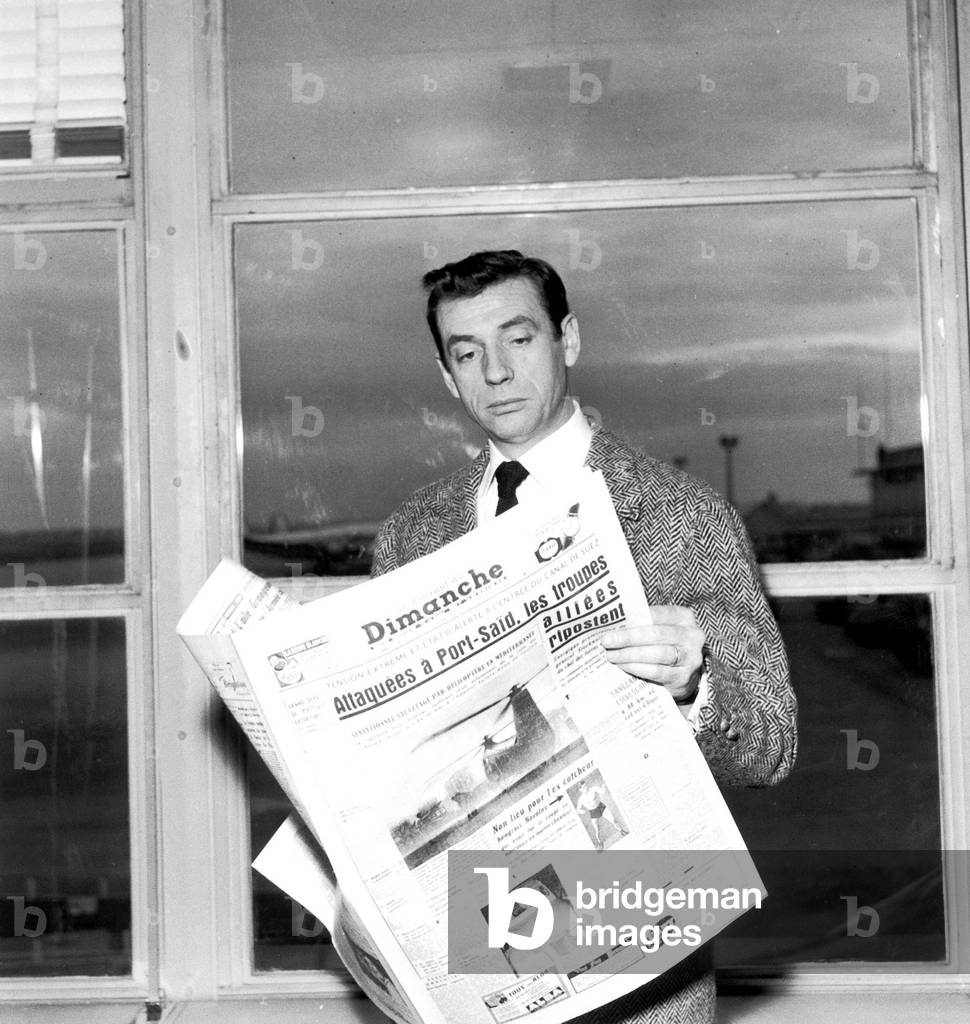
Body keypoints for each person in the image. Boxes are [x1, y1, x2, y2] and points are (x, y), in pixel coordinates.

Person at [372, 249, 797, 1023]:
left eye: (519, 338)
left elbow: (772, 744)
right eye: (467, 353)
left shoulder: (680, 515)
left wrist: (696, 685)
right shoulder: (409, 536)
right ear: (445, 375)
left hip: (637, 956)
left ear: (568, 339)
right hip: (473, 949)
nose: (495, 371)